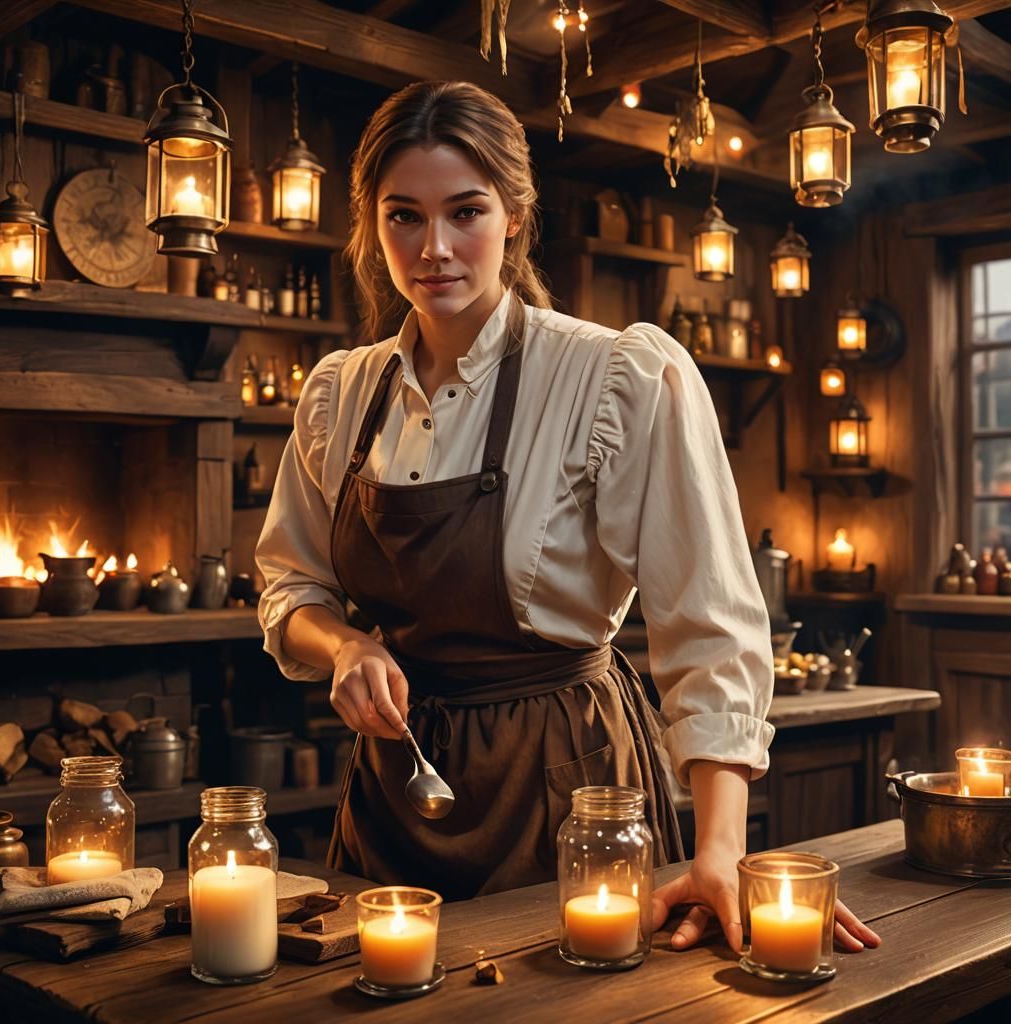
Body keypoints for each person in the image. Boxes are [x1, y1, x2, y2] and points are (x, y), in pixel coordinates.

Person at [256, 79, 879, 955]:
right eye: (403, 216)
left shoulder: (611, 378)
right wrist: (346, 646)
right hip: (396, 786)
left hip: (570, 791)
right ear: (371, 224)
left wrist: (720, 850)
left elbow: (711, 627)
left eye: (465, 211)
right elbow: (293, 582)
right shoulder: (342, 395)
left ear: (513, 215)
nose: (433, 247)